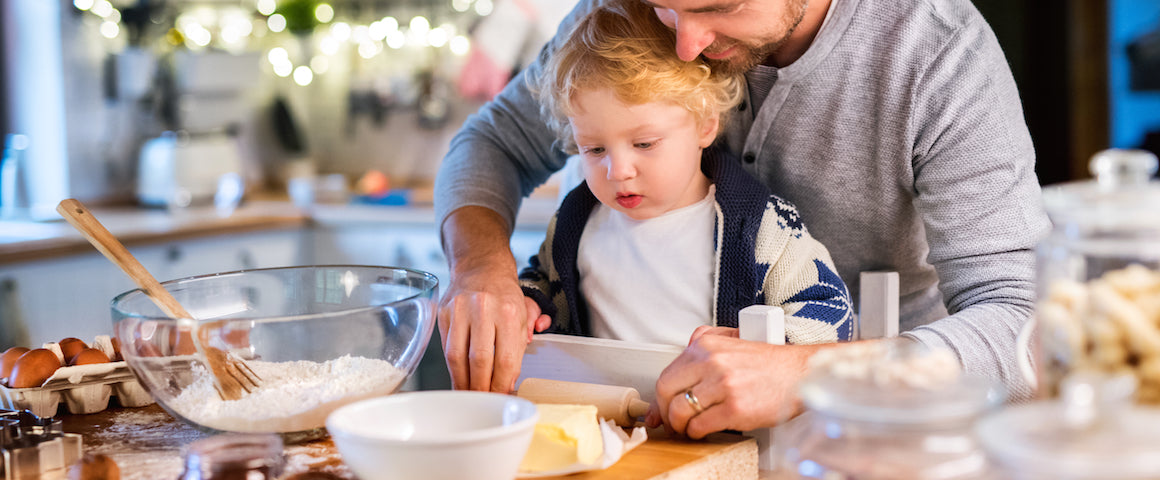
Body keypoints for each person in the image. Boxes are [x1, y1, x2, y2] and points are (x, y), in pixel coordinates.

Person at [434, 0, 1050, 438]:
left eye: (718, 7)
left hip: (873, 433)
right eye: (667, 10)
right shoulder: (623, 15)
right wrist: (480, 266)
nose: (684, 43)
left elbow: (1028, 326)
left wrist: (811, 372)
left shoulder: (939, 51)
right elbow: (492, 143)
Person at [517, 0, 854, 348]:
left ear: (706, 125)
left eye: (645, 144)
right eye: (595, 149)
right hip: (603, 399)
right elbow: (542, 280)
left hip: (718, 399)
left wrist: (771, 352)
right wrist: (528, 303)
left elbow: (831, 311)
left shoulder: (763, 227)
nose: (618, 171)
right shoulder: (574, 220)